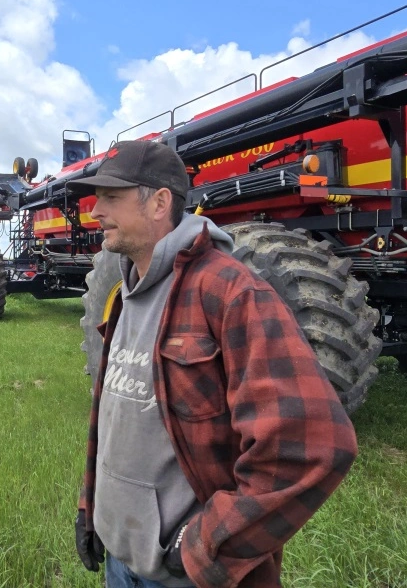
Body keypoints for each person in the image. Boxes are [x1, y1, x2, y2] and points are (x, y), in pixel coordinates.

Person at [69, 140, 359, 588]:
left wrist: (206, 545)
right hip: (120, 559)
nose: (94, 211)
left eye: (110, 197)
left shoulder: (230, 292)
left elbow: (313, 445)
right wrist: (92, 509)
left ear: (159, 203)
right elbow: (115, 422)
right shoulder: (126, 296)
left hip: (181, 575)